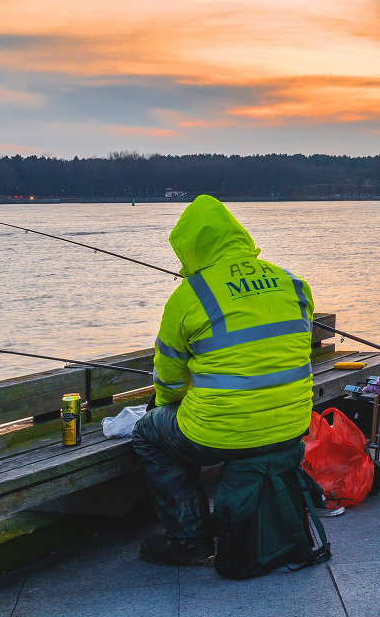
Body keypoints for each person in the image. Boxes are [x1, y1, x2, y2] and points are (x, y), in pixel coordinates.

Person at [132, 195, 315, 565]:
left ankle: (189, 538)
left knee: (149, 433)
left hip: (223, 434)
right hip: (293, 423)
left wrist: (169, 407)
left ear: (189, 249)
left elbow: (167, 377)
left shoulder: (188, 296)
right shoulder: (294, 283)